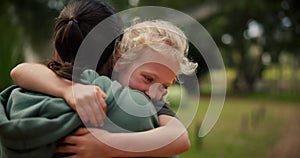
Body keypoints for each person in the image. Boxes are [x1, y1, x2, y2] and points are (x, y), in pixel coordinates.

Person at [7, 0, 197, 157]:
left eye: (165, 86)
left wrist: (108, 145)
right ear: (118, 59)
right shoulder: (102, 89)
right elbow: (20, 71)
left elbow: (180, 138)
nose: (155, 92)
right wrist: (69, 89)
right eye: (147, 78)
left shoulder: (153, 100)